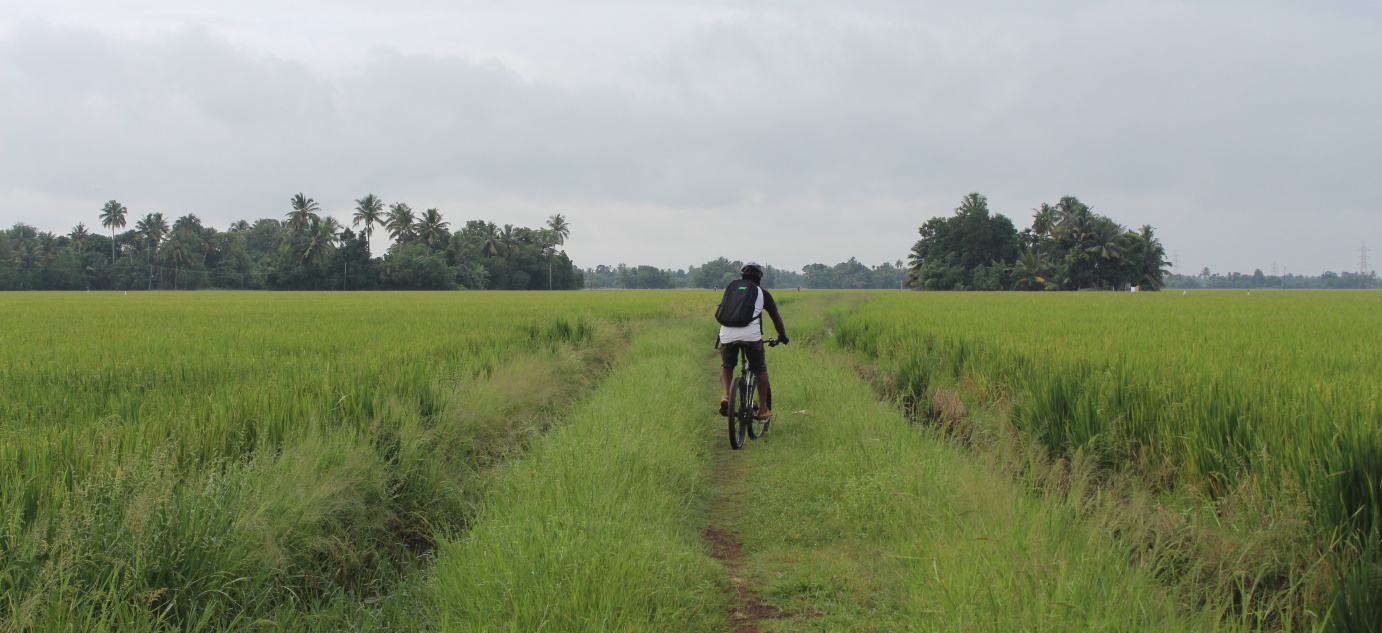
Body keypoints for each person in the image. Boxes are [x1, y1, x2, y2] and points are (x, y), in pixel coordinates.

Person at [717, 262, 788, 419]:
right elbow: (776, 319)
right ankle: (763, 409)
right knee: (760, 369)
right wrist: (782, 336)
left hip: (727, 333)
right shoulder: (763, 293)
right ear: (759, 278)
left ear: (742, 276)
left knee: (727, 365)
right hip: (751, 336)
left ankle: (726, 395)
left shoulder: (731, 289)